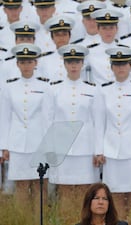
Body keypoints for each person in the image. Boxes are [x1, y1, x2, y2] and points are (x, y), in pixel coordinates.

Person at [42, 44, 100, 216]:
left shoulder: (93, 89)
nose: (73, 65)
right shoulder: (54, 89)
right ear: (64, 63)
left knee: (85, 192)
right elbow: (47, 121)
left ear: (82, 63)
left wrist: (98, 151)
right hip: (62, 148)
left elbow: (97, 121)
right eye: (70, 62)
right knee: (65, 191)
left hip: (85, 149)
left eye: (77, 61)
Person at [94, 47, 131, 220]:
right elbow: (99, 122)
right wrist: (99, 150)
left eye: (124, 64)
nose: (120, 68)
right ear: (111, 67)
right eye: (117, 64)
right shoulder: (103, 90)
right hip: (111, 151)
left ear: (130, 66)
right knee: (115, 196)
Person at [0, 43, 49, 216]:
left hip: (39, 142)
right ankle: (23, 220)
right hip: (17, 142)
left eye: (29, 61)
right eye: (23, 61)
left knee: (39, 185)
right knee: (21, 186)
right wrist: (4, 146)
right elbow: (5, 118)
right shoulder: (9, 86)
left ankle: (38, 220)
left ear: (36, 63)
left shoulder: (45, 86)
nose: (26, 65)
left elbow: (48, 117)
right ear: (17, 63)